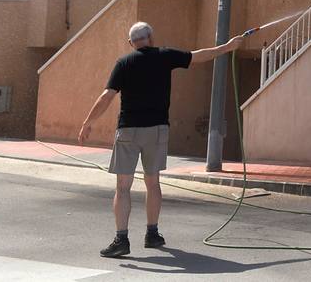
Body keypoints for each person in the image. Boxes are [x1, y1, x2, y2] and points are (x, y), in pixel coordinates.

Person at [77, 21, 246, 258]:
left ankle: (121, 239)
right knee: (152, 182)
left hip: (128, 130)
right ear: (151, 38)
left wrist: (88, 122)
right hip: (157, 130)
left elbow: (107, 96)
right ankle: (152, 234)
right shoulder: (164, 56)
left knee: (123, 187)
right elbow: (198, 56)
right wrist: (227, 48)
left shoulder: (124, 63)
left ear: (131, 43)